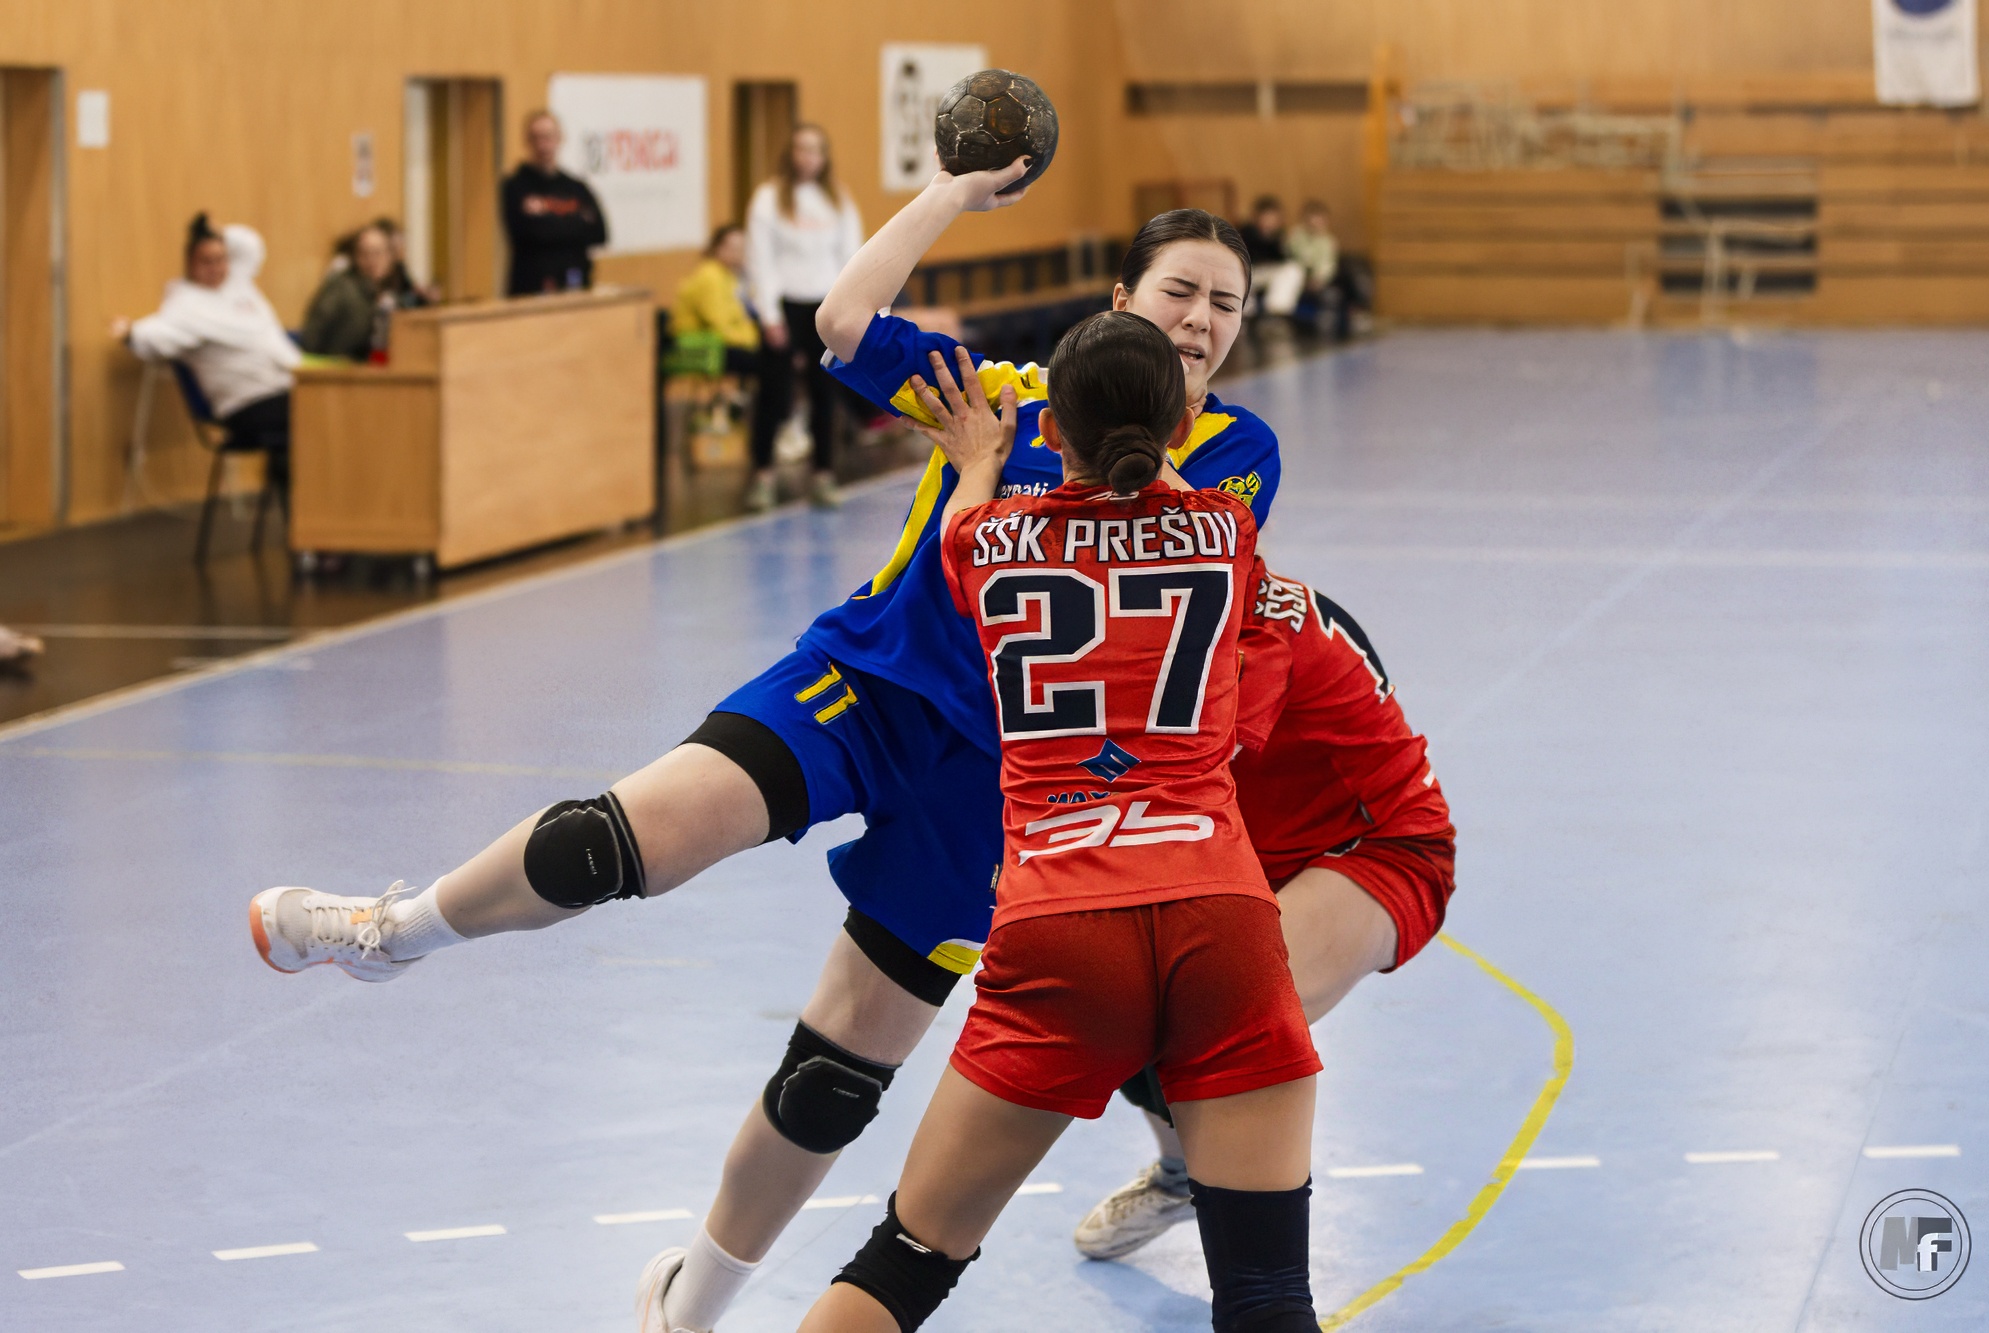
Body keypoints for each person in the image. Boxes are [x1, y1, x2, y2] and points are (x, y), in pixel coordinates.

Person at [239, 160, 1285, 1333]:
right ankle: (393, 931)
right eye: (1180, 291)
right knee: (615, 840)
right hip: (868, 687)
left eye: (1226, 303)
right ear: (1121, 296)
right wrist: (951, 194)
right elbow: (841, 323)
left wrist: (979, 471)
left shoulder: (1235, 455)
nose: (1200, 320)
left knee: (831, 1080)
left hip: (998, 796)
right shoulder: (997, 392)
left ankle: (688, 1305)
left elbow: (1094, 535)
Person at [796, 314, 1320, 1333]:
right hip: (1218, 912)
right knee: (1267, 1296)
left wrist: (977, 460)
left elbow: (966, 521)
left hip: (1059, 918)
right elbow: (1175, 501)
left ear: (1051, 434)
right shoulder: (1226, 532)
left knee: (905, 1262)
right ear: (1178, 429)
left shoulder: (987, 542)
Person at [1073, 565, 1455, 1258]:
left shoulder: (1260, 631)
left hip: (1374, 846)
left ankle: (1265, 1278)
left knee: (1222, 1001)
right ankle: (1182, 1174)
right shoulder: (1117, 611)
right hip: (1230, 854)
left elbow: (1142, 763)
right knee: (1112, 983)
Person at [117, 213, 301, 496]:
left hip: (286, 388)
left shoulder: (238, 284)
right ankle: (303, 514)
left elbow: (250, 245)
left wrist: (217, 231)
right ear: (190, 264)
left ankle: (312, 509)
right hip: (245, 406)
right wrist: (130, 332)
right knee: (314, 417)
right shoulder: (184, 305)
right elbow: (155, 335)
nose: (216, 268)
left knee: (324, 407)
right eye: (206, 261)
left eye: (221, 259)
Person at [743, 123, 863, 511]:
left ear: (824, 157)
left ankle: (823, 474)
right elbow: (759, 260)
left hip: (825, 307)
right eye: (801, 149)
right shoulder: (768, 199)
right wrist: (769, 315)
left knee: (824, 393)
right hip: (785, 307)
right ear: (790, 154)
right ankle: (762, 475)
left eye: (815, 150)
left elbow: (851, 256)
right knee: (775, 395)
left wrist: (851, 308)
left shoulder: (837, 200)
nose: (807, 157)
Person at [501, 110, 608, 296]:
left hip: (575, 285)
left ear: (560, 138)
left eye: (548, 137)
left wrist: (546, 218)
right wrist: (576, 221)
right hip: (531, 288)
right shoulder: (515, 187)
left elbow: (600, 233)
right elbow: (527, 233)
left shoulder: (577, 187)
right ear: (527, 141)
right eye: (536, 138)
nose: (543, 145)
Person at [672, 222, 762, 379]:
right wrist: (751, 339)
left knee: (774, 353)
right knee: (767, 360)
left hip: (719, 341)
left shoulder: (730, 276)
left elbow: (742, 314)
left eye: (742, 249)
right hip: (700, 346)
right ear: (717, 248)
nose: (739, 254)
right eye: (734, 248)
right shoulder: (709, 276)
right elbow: (719, 324)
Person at [301, 222, 395, 360]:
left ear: (390, 256)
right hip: (334, 367)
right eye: (365, 253)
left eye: (378, 253)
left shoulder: (385, 292)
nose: (372, 260)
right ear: (355, 257)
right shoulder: (340, 289)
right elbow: (312, 338)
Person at [1241, 195, 1304, 320]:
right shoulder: (1246, 232)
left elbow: (1284, 259)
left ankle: (1276, 313)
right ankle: (1244, 315)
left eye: (1273, 218)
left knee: (1294, 269)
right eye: (1266, 217)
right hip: (1250, 271)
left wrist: (1280, 242)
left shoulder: (1279, 235)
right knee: (1240, 273)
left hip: (1270, 271)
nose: (1269, 221)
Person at [1285, 199, 1341, 335]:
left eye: (1319, 219)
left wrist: (1318, 279)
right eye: (1312, 219)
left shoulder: (1328, 242)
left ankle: (1324, 331)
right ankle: (1282, 323)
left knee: (1331, 294)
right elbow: (1291, 257)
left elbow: (1328, 266)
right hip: (1296, 277)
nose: (1315, 223)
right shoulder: (1295, 236)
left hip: (1318, 281)